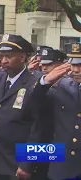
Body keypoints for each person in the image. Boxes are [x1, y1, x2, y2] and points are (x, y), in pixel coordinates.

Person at [0, 34, 45, 180]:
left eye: (9, 56)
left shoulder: (34, 84)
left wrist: (27, 164)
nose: (3, 61)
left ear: (23, 57)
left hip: (15, 162)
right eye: (2, 56)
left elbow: (39, 128)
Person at [32, 43, 81, 180]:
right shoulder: (61, 87)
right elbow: (31, 112)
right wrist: (44, 83)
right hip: (62, 165)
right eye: (74, 65)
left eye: (80, 65)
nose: (76, 70)